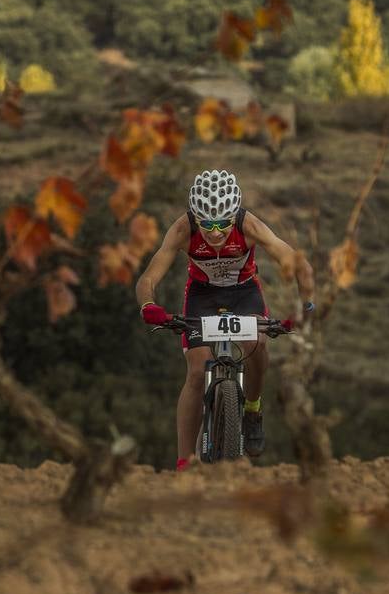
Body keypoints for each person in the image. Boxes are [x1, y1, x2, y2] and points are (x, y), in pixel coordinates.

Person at [135, 169, 315, 471]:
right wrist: (148, 305)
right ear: (196, 218)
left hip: (244, 292)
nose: (215, 232)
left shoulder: (249, 225)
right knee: (196, 371)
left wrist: (306, 307)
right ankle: (183, 461)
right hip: (202, 296)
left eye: (222, 224)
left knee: (258, 344)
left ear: (233, 217)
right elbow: (148, 277)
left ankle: (253, 410)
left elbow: (300, 266)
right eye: (207, 224)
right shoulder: (183, 229)